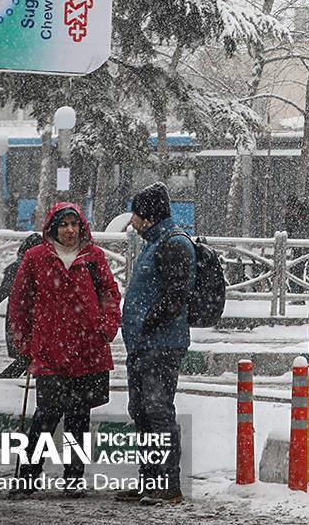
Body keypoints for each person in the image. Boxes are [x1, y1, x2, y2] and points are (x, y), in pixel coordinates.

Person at [6, 203, 120, 498]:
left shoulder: (94, 258)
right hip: (50, 352)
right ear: (52, 228)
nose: (70, 230)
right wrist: (25, 342)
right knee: (46, 416)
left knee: (79, 418)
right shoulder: (35, 259)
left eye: (74, 224)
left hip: (88, 351)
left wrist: (107, 328)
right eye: (63, 224)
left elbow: (110, 294)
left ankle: (74, 478)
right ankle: (27, 477)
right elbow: (19, 304)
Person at [117, 182, 194, 506]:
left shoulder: (173, 243)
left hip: (160, 345)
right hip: (143, 345)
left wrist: (149, 323)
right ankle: (149, 480)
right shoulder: (154, 242)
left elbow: (177, 295)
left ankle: (168, 484)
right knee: (142, 413)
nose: (132, 220)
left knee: (157, 411)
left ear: (147, 215)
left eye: (135, 213)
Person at [0, 231, 43, 379]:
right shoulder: (27, 268)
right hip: (29, 320)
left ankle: (10, 379)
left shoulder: (19, 267)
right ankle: (8, 380)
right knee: (31, 355)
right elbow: (2, 292)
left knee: (29, 356)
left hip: (20, 319)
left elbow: (1, 293)